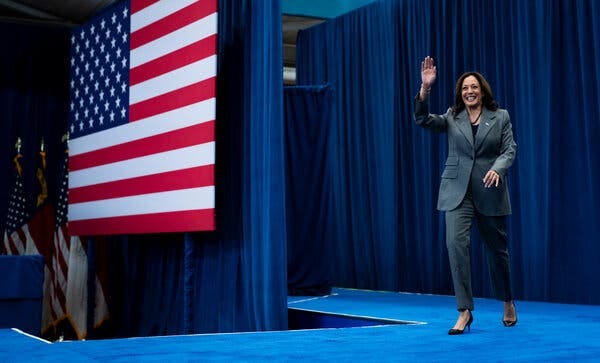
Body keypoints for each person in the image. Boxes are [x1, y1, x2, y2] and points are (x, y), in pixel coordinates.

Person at [414, 56, 517, 335]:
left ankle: (507, 301)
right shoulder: (451, 116)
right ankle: (464, 311)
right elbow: (422, 119)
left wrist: (498, 168)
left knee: (498, 253)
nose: (469, 92)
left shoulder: (501, 117)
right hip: (456, 193)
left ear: (482, 91)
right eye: (464, 89)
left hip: (489, 190)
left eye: (473, 87)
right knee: (455, 246)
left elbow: (509, 150)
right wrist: (425, 89)